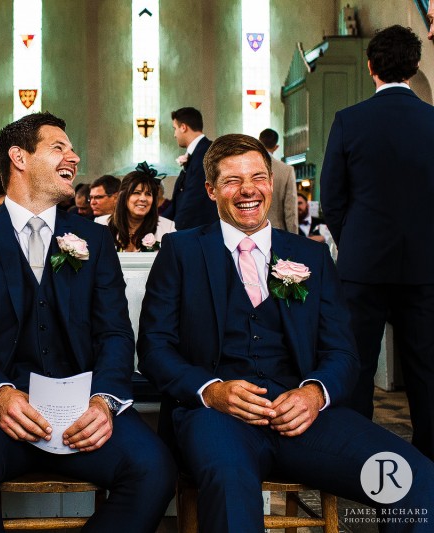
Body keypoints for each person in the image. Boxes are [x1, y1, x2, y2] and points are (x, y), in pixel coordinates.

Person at [138, 133, 434, 532]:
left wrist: (314, 394)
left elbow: (343, 352)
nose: (248, 190)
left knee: (414, 477)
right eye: (231, 181)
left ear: (271, 183)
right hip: (215, 418)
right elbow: (155, 348)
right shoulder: (181, 251)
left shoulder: (310, 256)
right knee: (229, 483)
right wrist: (211, 389)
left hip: (305, 419)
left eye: (258, 177)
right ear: (210, 190)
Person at [0, 112, 175, 533]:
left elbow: (115, 332)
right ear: (19, 158)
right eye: (59, 148)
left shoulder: (94, 240)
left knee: (154, 470)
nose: (74, 157)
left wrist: (104, 400)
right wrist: (0, 395)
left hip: (81, 406)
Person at [321, 25, 434, 459]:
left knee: (357, 363)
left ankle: (356, 455)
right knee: (426, 367)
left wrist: (356, 242)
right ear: (415, 66)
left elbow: (332, 195)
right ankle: (428, 459)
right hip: (425, 265)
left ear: (370, 67)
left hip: (363, 266)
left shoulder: (350, 120)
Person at [95, 165, 175, 252]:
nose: (143, 199)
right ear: (124, 196)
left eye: (148, 194)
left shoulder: (168, 228)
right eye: (136, 193)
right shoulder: (100, 225)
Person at [164, 107, 217, 230]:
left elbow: (194, 196)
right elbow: (180, 198)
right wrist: (159, 223)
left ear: (183, 127)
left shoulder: (207, 152)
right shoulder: (196, 152)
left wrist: (175, 229)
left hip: (199, 229)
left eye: (175, 129)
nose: (174, 135)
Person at [258, 128, 298, 233]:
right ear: (276, 147)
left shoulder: (247, 166)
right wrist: (295, 239)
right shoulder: (286, 170)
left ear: (258, 142)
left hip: (249, 233)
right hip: (276, 232)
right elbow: (290, 210)